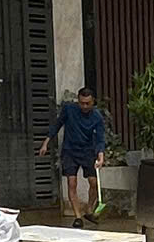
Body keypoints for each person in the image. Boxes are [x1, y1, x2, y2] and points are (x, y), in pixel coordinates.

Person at [39, 87, 110, 228]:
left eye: (87, 103)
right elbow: (57, 125)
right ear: (78, 100)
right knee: (72, 183)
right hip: (70, 151)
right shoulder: (69, 109)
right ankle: (78, 216)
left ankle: (89, 209)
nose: (85, 106)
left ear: (93, 102)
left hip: (88, 151)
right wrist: (46, 143)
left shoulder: (96, 117)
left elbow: (100, 138)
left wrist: (100, 156)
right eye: (82, 103)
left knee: (93, 183)